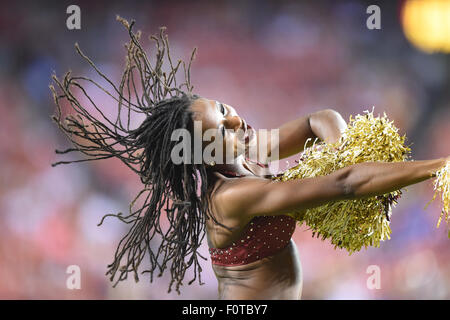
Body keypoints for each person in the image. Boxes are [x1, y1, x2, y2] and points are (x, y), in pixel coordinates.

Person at [51, 19, 449, 299]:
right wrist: (438, 167)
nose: (236, 120)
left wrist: (340, 147)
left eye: (224, 108)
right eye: (221, 128)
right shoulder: (230, 197)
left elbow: (319, 119)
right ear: (201, 154)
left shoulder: (247, 149)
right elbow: (344, 184)